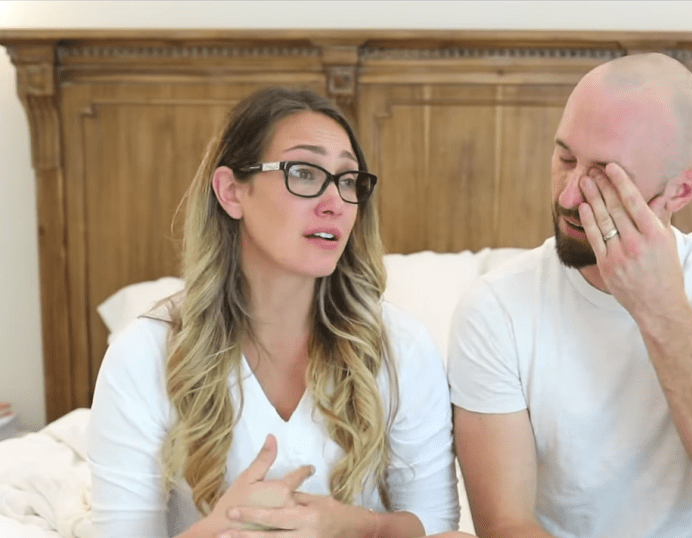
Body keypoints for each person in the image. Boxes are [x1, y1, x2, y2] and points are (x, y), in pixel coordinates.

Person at [447, 53, 692, 538]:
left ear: (679, 192)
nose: (570, 196)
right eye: (565, 158)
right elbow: (506, 524)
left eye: (606, 175)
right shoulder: (496, 306)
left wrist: (662, 310)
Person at [89, 87, 465, 538]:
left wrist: (358, 526)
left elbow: (439, 527)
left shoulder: (400, 347)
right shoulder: (143, 353)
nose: (335, 203)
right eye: (304, 173)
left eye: (348, 180)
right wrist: (217, 530)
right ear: (231, 192)